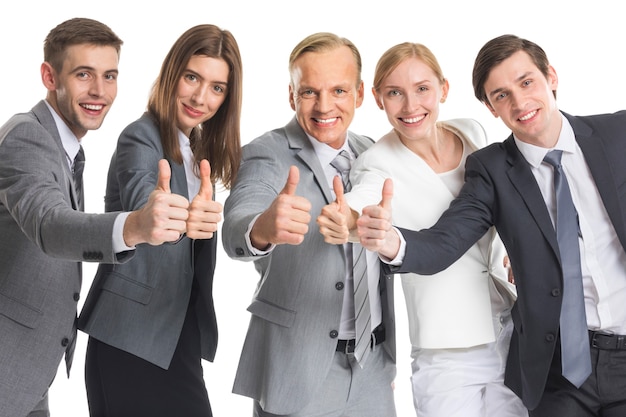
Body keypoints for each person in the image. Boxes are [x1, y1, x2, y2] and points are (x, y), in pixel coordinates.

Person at [356, 34, 626, 417]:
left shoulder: (618, 135)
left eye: (526, 82)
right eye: (501, 95)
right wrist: (390, 242)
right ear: (489, 106)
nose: (519, 102)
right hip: (560, 371)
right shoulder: (493, 169)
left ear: (551, 76)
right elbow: (444, 241)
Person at [317, 42, 526, 416]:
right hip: (447, 353)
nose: (411, 106)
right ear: (379, 99)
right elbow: (362, 204)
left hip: (512, 330)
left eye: (422, 89)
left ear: (444, 89)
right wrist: (347, 220)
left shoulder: (472, 133)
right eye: (395, 93)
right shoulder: (377, 162)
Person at [0, 18, 194, 417]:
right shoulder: (27, 136)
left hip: (29, 374)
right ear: (49, 75)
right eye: (83, 74)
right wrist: (135, 225)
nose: (99, 91)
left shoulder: (67, 149)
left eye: (110, 76)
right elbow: (50, 226)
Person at [222, 32, 396, 417]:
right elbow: (237, 222)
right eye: (309, 92)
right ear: (291, 95)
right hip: (299, 370)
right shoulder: (266, 152)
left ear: (359, 94)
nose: (324, 106)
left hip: (374, 369)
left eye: (338, 90)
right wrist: (261, 228)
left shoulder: (376, 152)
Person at [77, 24, 242, 417]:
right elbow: (144, 204)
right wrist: (174, 215)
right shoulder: (141, 136)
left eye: (217, 87)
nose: (201, 97)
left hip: (172, 334)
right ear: (172, 74)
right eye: (192, 78)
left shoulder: (194, 149)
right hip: (130, 337)